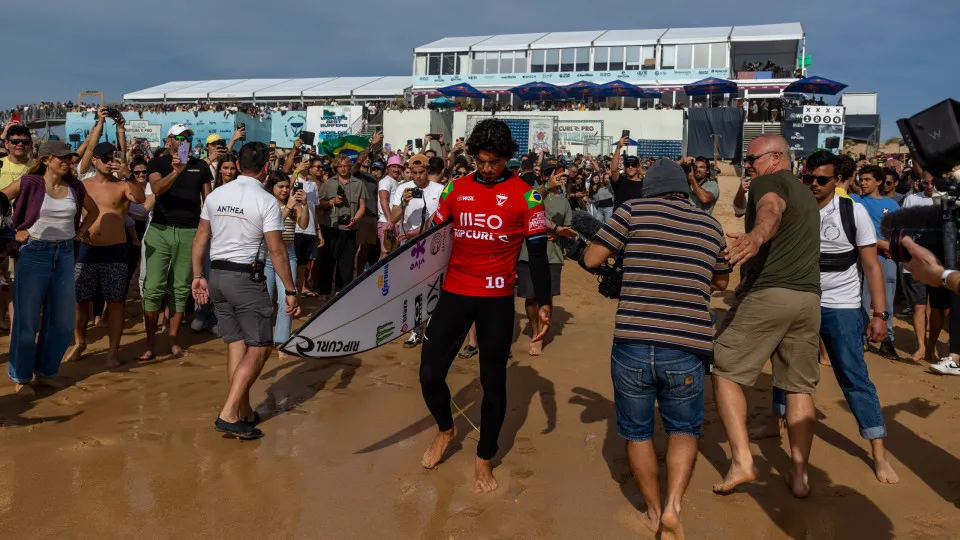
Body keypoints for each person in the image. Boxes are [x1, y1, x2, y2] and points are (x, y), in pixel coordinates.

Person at [581, 158, 731, 538]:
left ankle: (652, 509)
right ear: (682, 188)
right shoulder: (710, 225)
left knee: (637, 433)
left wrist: (628, 259)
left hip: (633, 340)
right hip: (687, 343)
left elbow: (592, 258)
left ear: (649, 187)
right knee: (683, 430)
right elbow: (722, 282)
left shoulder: (632, 210)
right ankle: (673, 506)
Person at [418, 119, 551, 494]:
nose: (487, 168)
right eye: (480, 161)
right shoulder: (455, 189)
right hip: (455, 293)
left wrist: (543, 303)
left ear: (507, 157)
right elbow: (432, 239)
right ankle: (446, 429)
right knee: (429, 374)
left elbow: (538, 255)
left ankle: (484, 457)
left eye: (493, 161)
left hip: (496, 300)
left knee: (493, 382)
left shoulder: (528, 195)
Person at [752, 151, 898, 484]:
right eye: (808, 178)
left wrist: (879, 314)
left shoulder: (853, 212)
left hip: (842, 306)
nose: (814, 185)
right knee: (784, 368)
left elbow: (871, 266)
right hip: (800, 299)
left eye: (822, 180)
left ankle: (879, 454)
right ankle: (776, 423)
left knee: (854, 377)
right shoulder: (793, 204)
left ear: (837, 180)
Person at [712, 134, 821, 498]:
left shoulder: (768, 182)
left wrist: (755, 238)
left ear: (774, 158)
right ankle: (800, 475)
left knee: (725, 369)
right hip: (808, 299)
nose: (749, 166)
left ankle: (743, 461)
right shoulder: (807, 193)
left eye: (752, 159)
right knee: (798, 386)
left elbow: (771, 211)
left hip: (774, 293)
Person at [191, 142, 300, 440]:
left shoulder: (216, 194)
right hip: (246, 278)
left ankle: (244, 411)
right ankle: (228, 413)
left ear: (238, 165)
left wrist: (198, 275)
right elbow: (277, 251)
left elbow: (201, 237)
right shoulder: (265, 201)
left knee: (236, 344)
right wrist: (290, 289)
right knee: (261, 346)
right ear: (266, 168)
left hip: (218, 275)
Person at [2, 141, 99, 396]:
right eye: (60, 157)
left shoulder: (75, 187)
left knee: (61, 319)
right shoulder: (31, 183)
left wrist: (79, 232)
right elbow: (2, 198)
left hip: (65, 253)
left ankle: (45, 372)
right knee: (26, 320)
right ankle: (21, 377)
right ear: (45, 160)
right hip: (34, 253)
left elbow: (94, 210)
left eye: (68, 156)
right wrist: (13, 232)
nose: (66, 161)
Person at [65, 143, 145, 368]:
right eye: (105, 158)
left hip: (115, 250)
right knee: (81, 302)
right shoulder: (82, 185)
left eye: (113, 157)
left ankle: (112, 352)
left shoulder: (122, 186)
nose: (110, 162)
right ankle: (80, 343)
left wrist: (130, 176)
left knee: (116, 302)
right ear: (94, 160)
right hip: (87, 250)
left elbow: (139, 199)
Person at [143, 125, 213, 361]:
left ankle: (173, 341)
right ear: (169, 140)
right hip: (160, 230)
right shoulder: (157, 164)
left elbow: (209, 201)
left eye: (190, 137)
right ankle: (150, 343)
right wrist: (176, 171)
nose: (186, 141)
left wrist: (209, 231)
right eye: (182, 137)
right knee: (153, 289)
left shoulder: (200, 165)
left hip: (189, 232)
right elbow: (156, 189)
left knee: (181, 290)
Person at [389, 154, 444, 348]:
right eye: (414, 173)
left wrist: (417, 232)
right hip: (409, 247)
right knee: (411, 288)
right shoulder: (403, 188)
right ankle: (415, 329)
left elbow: (441, 217)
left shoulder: (440, 189)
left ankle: (431, 328)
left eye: (422, 172)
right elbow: (394, 219)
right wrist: (403, 203)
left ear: (428, 170)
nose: (418, 176)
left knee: (433, 286)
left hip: (434, 245)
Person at [519, 167, 574, 356]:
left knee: (546, 297)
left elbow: (568, 228)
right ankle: (535, 331)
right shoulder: (533, 193)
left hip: (553, 256)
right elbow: (528, 204)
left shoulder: (565, 202)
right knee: (530, 297)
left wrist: (559, 234)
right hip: (528, 253)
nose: (558, 177)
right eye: (553, 173)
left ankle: (540, 337)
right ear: (545, 176)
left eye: (561, 174)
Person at [851, 165, 900, 359]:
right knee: (860, 299)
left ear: (878, 182)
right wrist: (882, 245)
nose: (863, 183)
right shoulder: (854, 201)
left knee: (886, 300)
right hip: (861, 258)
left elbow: (898, 234)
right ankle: (862, 337)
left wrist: (891, 249)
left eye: (867, 179)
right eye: (861, 179)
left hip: (886, 259)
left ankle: (887, 340)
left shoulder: (893, 205)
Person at [899, 236, 960, 375]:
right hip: (917, 261)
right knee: (919, 306)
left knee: (943, 307)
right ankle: (924, 348)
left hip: (942, 262)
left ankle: (933, 347)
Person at [263, 171, 309, 352]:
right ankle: (263, 337)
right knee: (265, 298)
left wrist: (304, 206)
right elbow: (272, 225)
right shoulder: (268, 203)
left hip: (288, 253)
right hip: (267, 254)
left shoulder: (293, 203)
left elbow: (304, 224)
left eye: (286, 187)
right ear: (272, 187)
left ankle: (282, 339)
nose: (284, 190)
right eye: (280, 187)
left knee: (287, 297)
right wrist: (288, 208)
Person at [900, 172, 942, 363]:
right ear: (919, 182)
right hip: (914, 263)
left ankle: (932, 346)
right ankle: (921, 347)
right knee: (918, 306)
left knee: (937, 308)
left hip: (939, 264)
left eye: (933, 183)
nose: (929, 186)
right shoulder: (910, 200)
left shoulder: (946, 199)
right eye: (925, 182)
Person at [315, 155, 367, 302]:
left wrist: (355, 219)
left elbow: (362, 206)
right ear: (336, 168)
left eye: (346, 165)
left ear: (349, 167)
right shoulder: (329, 183)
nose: (343, 168)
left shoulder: (358, 183)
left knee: (347, 262)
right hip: (331, 226)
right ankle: (323, 290)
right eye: (340, 166)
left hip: (350, 227)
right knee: (328, 260)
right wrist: (332, 201)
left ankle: (342, 291)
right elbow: (319, 203)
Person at [377, 155, 402, 256]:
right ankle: (379, 273)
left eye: (398, 167)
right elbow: (383, 200)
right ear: (387, 168)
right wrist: (390, 221)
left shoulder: (395, 182)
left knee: (391, 254)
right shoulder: (385, 181)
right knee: (385, 253)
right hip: (386, 223)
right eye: (393, 166)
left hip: (393, 223)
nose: (396, 169)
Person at [610, 137, 644, 208]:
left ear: (638, 167)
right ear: (624, 167)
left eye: (633, 165)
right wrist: (618, 148)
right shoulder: (620, 181)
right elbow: (614, 170)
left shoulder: (644, 184)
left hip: (636, 217)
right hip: (619, 217)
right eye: (627, 165)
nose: (630, 167)